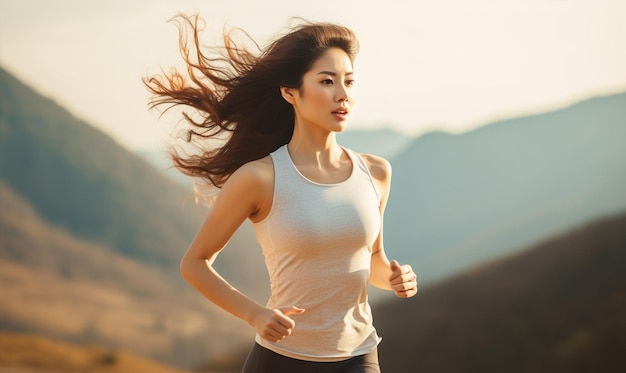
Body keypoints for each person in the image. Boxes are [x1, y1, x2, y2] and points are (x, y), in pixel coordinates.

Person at [144, 14, 418, 373]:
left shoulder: (376, 173)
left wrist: (396, 278)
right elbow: (194, 264)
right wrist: (255, 315)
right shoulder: (259, 178)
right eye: (327, 81)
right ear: (290, 92)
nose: (343, 94)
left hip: (359, 356)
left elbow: (374, 262)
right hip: (282, 361)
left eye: (349, 81)